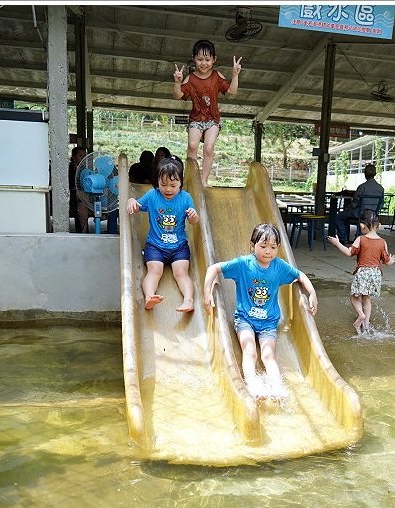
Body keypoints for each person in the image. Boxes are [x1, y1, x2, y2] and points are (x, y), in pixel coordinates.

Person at [203, 223, 318, 397]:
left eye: (273, 247)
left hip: (268, 323)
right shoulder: (243, 264)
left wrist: (312, 293)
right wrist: (207, 294)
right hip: (245, 320)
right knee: (249, 351)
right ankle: (253, 385)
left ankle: (277, 387)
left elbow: (299, 275)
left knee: (268, 356)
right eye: (263, 246)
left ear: (278, 248)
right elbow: (214, 268)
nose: (268, 251)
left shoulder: (279, 266)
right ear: (252, 246)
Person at [126, 156, 199, 312]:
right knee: (154, 271)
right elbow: (137, 206)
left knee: (181, 273)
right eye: (163, 184)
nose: (168, 189)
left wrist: (193, 216)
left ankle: (188, 300)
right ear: (157, 182)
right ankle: (149, 297)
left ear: (181, 183)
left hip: (179, 246)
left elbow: (194, 221)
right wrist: (132, 200)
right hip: (155, 246)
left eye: (173, 185)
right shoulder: (153, 195)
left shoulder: (186, 198)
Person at [173, 39, 242, 188]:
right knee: (192, 145)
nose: (204, 63)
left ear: (214, 60)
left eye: (207, 59)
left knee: (209, 147)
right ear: (194, 58)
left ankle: (204, 180)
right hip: (196, 119)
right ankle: (191, 178)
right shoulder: (190, 78)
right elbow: (178, 95)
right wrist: (178, 82)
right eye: (200, 59)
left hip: (213, 119)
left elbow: (232, 91)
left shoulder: (217, 76)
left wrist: (235, 74)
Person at [327, 209, 395, 335]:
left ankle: (361, 315)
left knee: (354, 296)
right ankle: (367, 324)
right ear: (378, 225)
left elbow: (349, 252)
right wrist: (391, 260)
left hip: (363, 272)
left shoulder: (361, 239)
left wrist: (337, 243)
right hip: (375, 273)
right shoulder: (382, 242)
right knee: (367, 298)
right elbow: (386, 262)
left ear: (362, 226)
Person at [331, 163, 384, 244]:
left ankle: (342, 239)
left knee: (338, 217)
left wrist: (347, 209)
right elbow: (381, 205)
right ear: (375, 174)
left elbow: (354, 203)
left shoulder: (362, 187)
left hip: (360, 213)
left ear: (365, 174)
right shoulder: (381, 188)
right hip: (373, 214)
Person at [68, 146, 89, 233]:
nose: (83, 158)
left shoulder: (86, 170)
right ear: (74, 157)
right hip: (72, 196)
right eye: (80, 156)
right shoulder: (69, 169)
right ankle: (84, 231)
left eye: (85, 156)